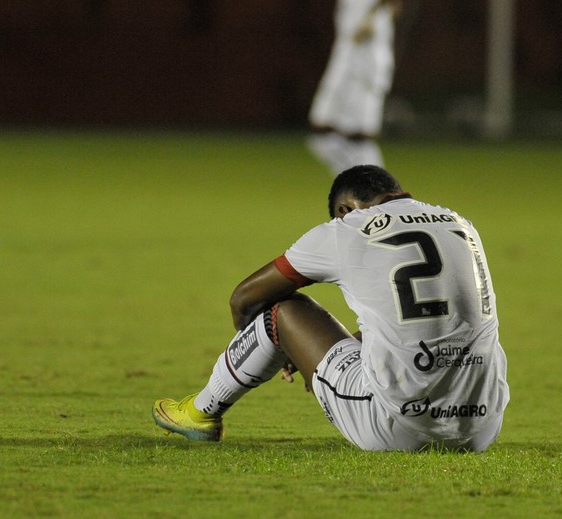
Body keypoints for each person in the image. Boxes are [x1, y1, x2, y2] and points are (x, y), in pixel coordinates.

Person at [152, 165, 509, 452]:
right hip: (481, 427)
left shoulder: (347, 227)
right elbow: (430, 324)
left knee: (281, 310)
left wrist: (276, 343)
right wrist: (303, 346)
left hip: (397, 428)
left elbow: (243, 299)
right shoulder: (461, 225)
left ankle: (201, 411)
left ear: (344, 210)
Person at [306, 0, 408, 176]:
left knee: (348, 137)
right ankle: (367, 199)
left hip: (364, 61)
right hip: (349, 57)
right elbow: (392, 0)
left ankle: (383, 201)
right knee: (327, 137)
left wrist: (372, 19)